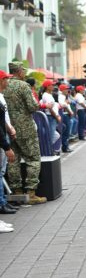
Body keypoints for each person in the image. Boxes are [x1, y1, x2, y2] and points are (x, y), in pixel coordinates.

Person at [5, 62, 46, 204]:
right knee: (33, 159)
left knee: (13, 160)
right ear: (19, 71)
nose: (24, 73)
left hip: (8, 127)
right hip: (25, 128)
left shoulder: (4, 85)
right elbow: (33, 106)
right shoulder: (23, 86)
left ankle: (17, 193)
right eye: (23, 70)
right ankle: (31, 193)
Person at [0, 69, 19, 219]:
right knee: (0, 172)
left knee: (2, 170)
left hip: (4, 133)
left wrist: (10, 128)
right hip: (1, 138)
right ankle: (1, 203)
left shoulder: (2, 96)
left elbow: (3, 120)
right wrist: (5, 146)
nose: (8, 81)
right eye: (6, 79)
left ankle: (3, 201)